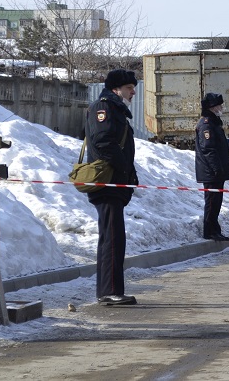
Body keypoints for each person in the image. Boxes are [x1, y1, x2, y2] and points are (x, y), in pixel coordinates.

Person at [85, 68, 139, 306]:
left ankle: (110, 290)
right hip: (107, 181)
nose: (133, 92)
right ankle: (110, 291)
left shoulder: (114, 108)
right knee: (112, 239)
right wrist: (124, 169)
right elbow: (104, 141)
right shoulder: (104, 108)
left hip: (115, 181)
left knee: (113, 237)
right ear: (117, 89)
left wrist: (129, 173)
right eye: (129, 88)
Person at [195, 92, 229, 242]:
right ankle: (209, 231)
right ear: (212, 107)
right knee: (212, 201)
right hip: (211, 171)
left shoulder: (214, 122)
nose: (222, 107)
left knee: (216, 201)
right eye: (219, 105)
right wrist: (217, 169)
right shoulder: (207, 124)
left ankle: (214, 230)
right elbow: (208, 149)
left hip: (216, 170)